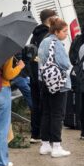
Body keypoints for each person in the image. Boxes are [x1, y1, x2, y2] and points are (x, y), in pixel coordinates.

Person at [38, 17, 71, 158]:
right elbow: (65, 64)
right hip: (58, 83)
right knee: (58, 114)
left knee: (47, 113)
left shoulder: (44, 42)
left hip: (45, 82)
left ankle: (45, 145)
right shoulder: (57, 44)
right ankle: (56, 146)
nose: (67, 34)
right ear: (57, 32)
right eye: (64, 31)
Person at [29, 9, 56, 143]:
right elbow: (45, 57)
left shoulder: (35, 34)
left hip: (33, 73)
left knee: (36, 104)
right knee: (45, 105)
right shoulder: (46, 35)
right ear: (50, 19)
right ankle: (44, 134)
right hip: (42, 74)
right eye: (55, 17)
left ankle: (35, 133)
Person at [0, 57, 25, 166]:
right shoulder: (4, 48)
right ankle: (0, 162)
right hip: (1, 90)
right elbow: (8, 74)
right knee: (1, 128)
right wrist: (19, 67)